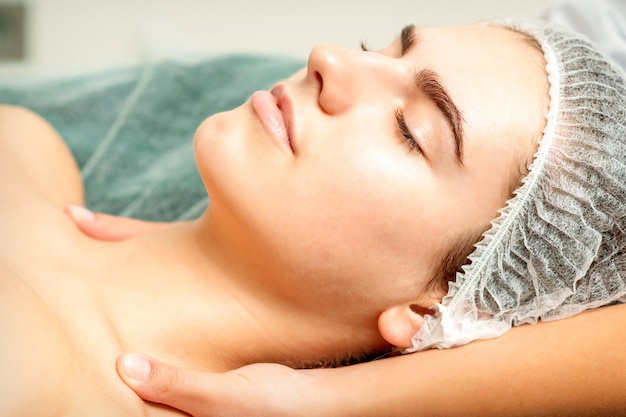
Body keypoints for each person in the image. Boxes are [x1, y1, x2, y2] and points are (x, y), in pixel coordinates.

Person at [2, 17, 624, 417]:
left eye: (410, 131)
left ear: (434, 311)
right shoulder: (28, 151)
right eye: (375, 48)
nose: (330, 59)